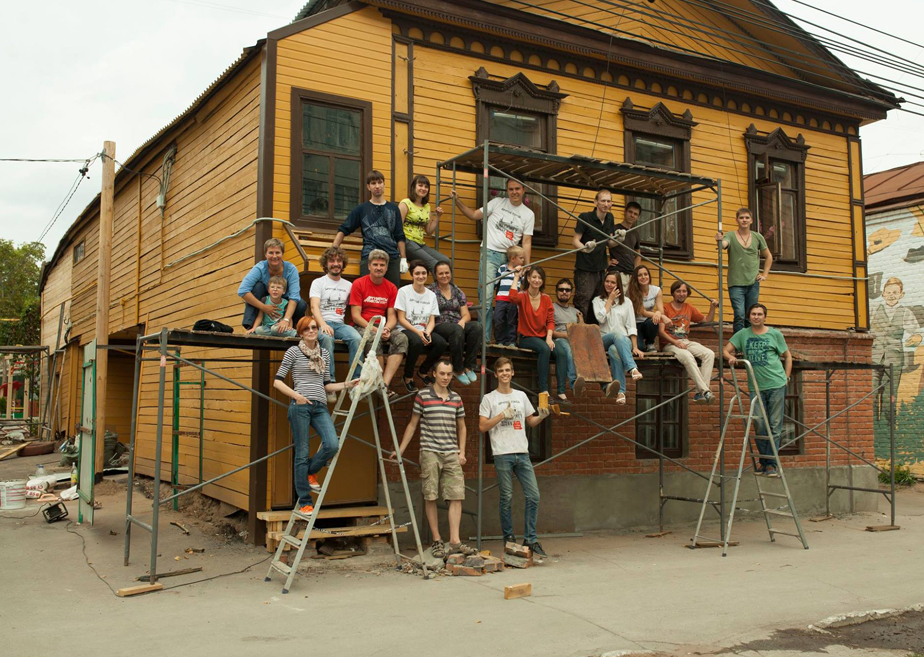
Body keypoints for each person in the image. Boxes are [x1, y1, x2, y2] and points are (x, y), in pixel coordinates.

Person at [273, 317, 359, 515]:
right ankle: (305, 501)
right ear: (301, 333)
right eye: (307, 329)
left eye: (314, 327)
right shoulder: (293, 352)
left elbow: (327, 385)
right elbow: (277, 381)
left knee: (332, 444)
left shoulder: (324, 354)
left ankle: (310, 471)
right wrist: (296, 396)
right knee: (302, 453)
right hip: (300, 406)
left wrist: (347, 384)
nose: (311, 331)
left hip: (320, 406)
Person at [394, 360, 475, 558]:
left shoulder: (456, 398)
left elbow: (462, 427)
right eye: (442, 373)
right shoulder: (422, 396)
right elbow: (413, 424)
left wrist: (462, 452)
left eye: (449, 374)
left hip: (451, 453)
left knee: (456, 495)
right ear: (434, 374)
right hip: (430, 451)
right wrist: (400, 450)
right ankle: (437, 540)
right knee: (430, 495)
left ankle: (454, 541)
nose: (446, 377)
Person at [479, 357, 550, 557]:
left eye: (508, 370)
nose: (505, 373)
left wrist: (542, 416)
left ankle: (530, 540)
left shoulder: (521, 396)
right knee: (507, 497)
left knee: (533, 495)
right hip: (502, 453)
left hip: (522, 452)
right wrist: (502, 415)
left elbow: (531, 422)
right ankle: (509, 539)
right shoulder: (489, 399)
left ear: (512, 373)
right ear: (496, 374)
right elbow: (482, 426)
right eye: (501, 370)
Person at [451, 179, 534, 338]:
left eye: (517, 188)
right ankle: (484, 339)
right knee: (486, 298)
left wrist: (526, 265)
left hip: (512, 259)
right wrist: (457, 201)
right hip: (490, 253)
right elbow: (474, 215)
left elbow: (526, 241)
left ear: (523, 190)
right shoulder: (497, 202)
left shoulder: (528, 214)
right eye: (511, 189)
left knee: (509, 300)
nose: (514, 192)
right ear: (507, 190)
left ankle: (506, 340)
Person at [723, 303, 792, 475]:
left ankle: (770, 464)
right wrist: (731, 357)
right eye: (753, 314)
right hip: (756, 387)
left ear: (764, 317)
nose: (756, 317)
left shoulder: (775, 334)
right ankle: (764, 461)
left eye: (760, 314)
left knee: (775, 426)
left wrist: (787, 377)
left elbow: (787, 355)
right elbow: (725, 350)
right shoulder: (742, 334)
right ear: (749, 317)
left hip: (776, 384)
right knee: (759, 424)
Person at [333, 170, 407, 288]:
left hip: (391, 258)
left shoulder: (394, 209)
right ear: (368, 187)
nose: (377, 186)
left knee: (392, 293)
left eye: (380, 182)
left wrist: (403, 258)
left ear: (384, 184)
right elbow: (344, 229)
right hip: (369, 256)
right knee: (366, 291)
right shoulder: (361, 209)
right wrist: (333, 251)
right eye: (373, 183)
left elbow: (399, 235)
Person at [349, 249, 407, 391]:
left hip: (382, 326)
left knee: (402, 338)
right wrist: (377, 330)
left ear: (386, 268)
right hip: (363, 326)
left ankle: (384, 385)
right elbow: (356, 316)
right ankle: (379, 384)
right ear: (369, 266)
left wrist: (386, 329)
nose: (379, 268)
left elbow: (392, 316)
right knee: (373, 339)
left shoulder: (391, 287)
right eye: (375, 264)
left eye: (382, 265)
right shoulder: (358, 284)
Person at [871, 276, 922, 420]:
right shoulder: (874, 310)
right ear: (883, 294)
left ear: (901, 294)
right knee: (871, 394)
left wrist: (916, 338)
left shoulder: (905, 312)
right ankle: (873, 426)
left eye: (895, 292)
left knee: (889, 396)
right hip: (874, 358)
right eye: (888, 292)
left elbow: (916, 332)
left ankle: (888, 427)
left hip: (894, 360)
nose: (891, 295)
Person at [659, 280, 718, 404]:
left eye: (684, 291)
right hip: (669, 344)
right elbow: (661, 332)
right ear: (673, 293)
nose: (681, 294)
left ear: (687, 293)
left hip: (685, 341)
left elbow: (707, 320)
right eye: (678, 291)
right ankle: (705, 392)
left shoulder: (689, 307)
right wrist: (676, 343)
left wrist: (712, 307)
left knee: (709, 354)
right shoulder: (665, 308)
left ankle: (701, 393)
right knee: (687, 356)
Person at [715, 207, 773, 334]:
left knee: (750, 316)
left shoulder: (758, 237)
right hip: (736, 283)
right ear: (737, 220)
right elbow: (724, 244)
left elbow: (768, 256)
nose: (744, 220)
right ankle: (738, 343)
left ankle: (748, 342)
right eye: (741, 218)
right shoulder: (730, 235)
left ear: (751, 220)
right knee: (739, 315)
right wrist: (719, 240)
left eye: (747, 218)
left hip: (753, 283)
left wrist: (764, 275)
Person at [309, 247, 362, 380]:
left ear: (343, 263)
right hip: (321, 323)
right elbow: (314, 307)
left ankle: (356, 380)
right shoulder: (318, 282)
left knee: (357, 339)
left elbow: (356, 306)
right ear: (326, 263)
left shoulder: (349, 285)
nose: (336, 264)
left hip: (339, 325)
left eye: (339, 261)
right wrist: (323, 324)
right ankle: (329, 380)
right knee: (327, 339)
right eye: (332, 261)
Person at [593, 270, 644, 404]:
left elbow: (631, 326)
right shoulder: (597, 301)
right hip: (604, 339)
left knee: (614, 350)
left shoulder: (627, 302)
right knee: (616, 335)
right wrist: (609, 300)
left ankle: (621, 393)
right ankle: (632, 368)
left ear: (618, 285)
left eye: (613, 282)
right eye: (607, 281)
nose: (609, 284)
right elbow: (600, 318)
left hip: (623, 341)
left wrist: (635, 347)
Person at [394, 261, 446, 393]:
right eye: (417, 273)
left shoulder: (431, 295)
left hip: (424, 329)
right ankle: (408, 376)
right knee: (416, 342)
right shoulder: (403, 291)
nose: (421, 276)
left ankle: (423, 372)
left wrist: (427, 332)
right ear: (412, 275)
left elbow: (432, 320)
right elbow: (401, 318)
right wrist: (418, 333)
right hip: (406, 329)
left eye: (423, 273)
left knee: (441, 343)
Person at [429, 261, 482, 386]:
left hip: (457, 324)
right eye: (441, 273)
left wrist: (462, 321)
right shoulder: (430, 291)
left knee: (477, 327)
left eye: (447, 272)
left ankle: (469, 366)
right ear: (435, 275)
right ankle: (458, 369)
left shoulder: (457, 291)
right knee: (456, 330)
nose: (444, 276)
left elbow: (466, 314)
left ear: (451, 274)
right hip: (439, 324)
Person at [572, 190, 622, 319]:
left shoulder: (610, 218)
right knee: (583, 302)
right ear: (596, 202)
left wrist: (619, 239)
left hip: (601, 269)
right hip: (585, 269)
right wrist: (585, 249)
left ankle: (595, 329)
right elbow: (575, 241)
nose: (606, 204)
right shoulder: (585, 217)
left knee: (599, 302)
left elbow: (609, 243)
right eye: (603, 201)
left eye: (608, 201)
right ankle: (581, 328)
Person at [238, 237, 306, 331]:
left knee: (301, 304)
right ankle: (251, 327)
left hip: (284, 301)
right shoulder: (260, 268)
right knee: (257, 287)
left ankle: (292, 329)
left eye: (277, 252)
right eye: (271, 253)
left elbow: (294, 297)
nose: (274, 256)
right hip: (265, 300)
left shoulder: (291, 269)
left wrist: (286, 319)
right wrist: (264, 307)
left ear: (282, 254)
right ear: (265, 254)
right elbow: (242, 291)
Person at [507, 266, 555, 396]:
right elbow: (512, 298)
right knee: (545, 349)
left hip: (543, 337)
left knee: (561, 352)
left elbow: (551, 321)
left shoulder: (546, 298)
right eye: (534, 277)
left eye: (540, 277)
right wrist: (517, 276)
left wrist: (549, 337)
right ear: (528, 278)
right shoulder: (523, 296)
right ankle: (544, 389)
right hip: (526, 338)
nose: (537, 280)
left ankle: (561, 392)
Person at [399, 174, 450, 273]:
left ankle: (446, 284)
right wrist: (402, 255)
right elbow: (397, 228)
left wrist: (437, 217)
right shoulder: (405, 203)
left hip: (420, 243)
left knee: (445, 261)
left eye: (426, 186)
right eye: (420, 185)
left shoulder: (427, 206)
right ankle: (439, 284)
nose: (423, 188)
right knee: (434, 264)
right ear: (414, 187)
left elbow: (429, 231)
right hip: (407, 241)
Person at [551, 278, 583, 403]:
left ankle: (605, 385)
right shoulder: (551, 308)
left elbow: (582, 331)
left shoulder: (576, 312)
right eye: (561, 289)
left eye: (567, 290)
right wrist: (566, 335)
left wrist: (581, 320)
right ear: (556, 291)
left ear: (571, 293)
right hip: (559, 340)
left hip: (575, 341)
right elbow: (549, 331)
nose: (564, 292)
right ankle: (574, 383)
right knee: (570, 351)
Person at [627, 265, 671, 352]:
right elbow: (642, 312)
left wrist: (659, 313)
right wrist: (661, 316)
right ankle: (641, 343)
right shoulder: (632, 291)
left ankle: (650, 343)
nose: (643, 277)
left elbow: (661, 310)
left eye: (645, 274)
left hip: (648, 322)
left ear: (649, 276)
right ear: (636, 278)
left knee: (653, 321)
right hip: (635, 324)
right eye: (640, 275)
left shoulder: (656, 290)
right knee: (639, 347)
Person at [493, 245, 526, 347]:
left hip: (513, 300)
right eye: (521, 258)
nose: (523, 260)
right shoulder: (502, 268)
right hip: (501, 299)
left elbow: (523, 285)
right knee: (498, 319)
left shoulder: (520, 271)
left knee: (512, 320)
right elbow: (495, 282)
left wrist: (522, 273)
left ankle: (511, 341)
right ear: (512, 258)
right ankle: (500, 340)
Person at [609, 201, 642, 291]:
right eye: (630, 212)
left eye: (635, 214)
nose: (632, 215)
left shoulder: (635, 233)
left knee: (630, 299)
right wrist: (606, 263)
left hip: (631, 274)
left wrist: (635, 272)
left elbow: (638, 255)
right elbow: (604, 245)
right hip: (617, 272)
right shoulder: (614, 228)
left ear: (638, 217)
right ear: (625, 212)